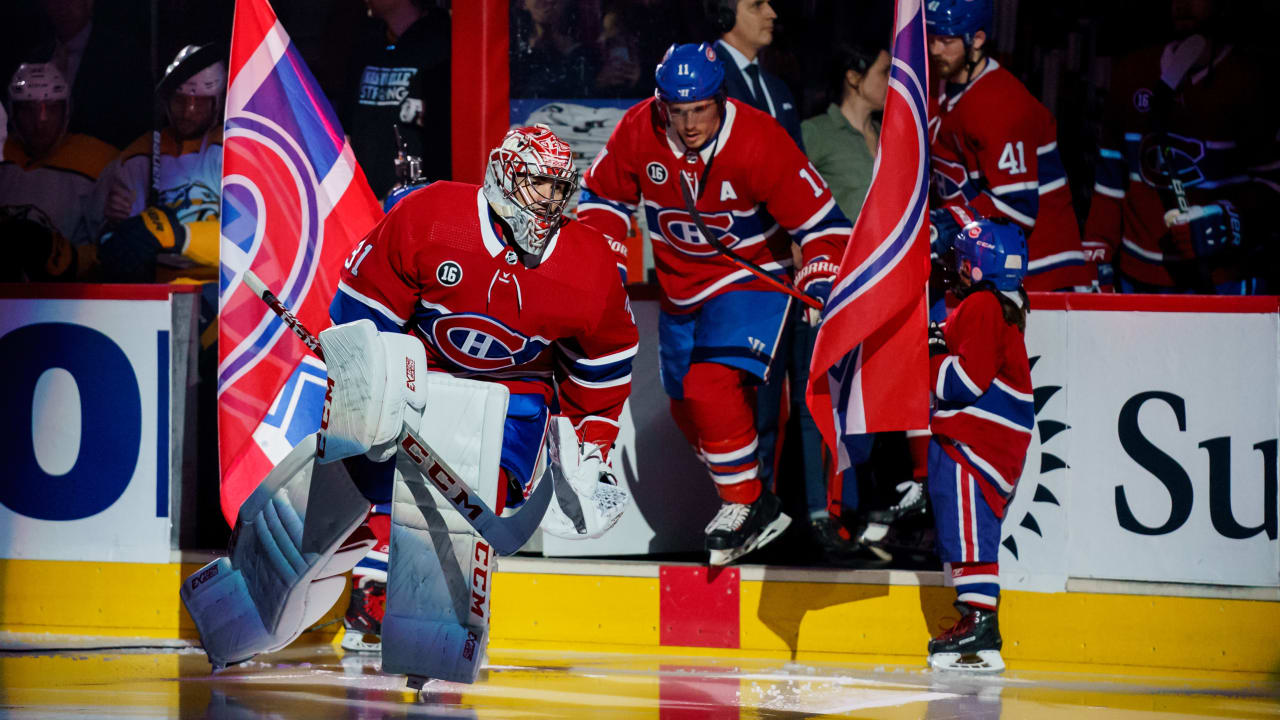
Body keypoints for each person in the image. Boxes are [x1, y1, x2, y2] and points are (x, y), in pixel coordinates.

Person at [182, 125, 637, 683]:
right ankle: (240, 608)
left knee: (448, 526)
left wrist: (592, 450)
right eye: (538, 185)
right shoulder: (433, 217)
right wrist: (370, 383)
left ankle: (433, 648)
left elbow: (604, 363)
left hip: (510, 399)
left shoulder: (587, 261)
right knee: (319, 512)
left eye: (559, 188)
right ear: (504, 176)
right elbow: (359, 312)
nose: (551, 201)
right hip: (413, 377)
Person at [577, 43, 851, 566]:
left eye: (699, 109)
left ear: (719, 99)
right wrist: (604, 264)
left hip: (752, 278)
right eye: (676, 112)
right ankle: (760, 503)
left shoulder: (760, 140)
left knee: (709, 386)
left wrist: (819, 272)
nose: (688, 124)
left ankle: (744, 501)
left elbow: (825, 226)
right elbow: (602, 198)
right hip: (680, 288)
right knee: (687, 406)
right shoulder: (640, 128)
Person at [1082, 0, 1275, 294]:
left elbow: (1272, 186)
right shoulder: (1131, 73)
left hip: (1221, 281)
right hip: (1137, 280)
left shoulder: (1248, 81)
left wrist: (1226, 219)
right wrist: (1097, 254)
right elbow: (1110, 182)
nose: (1183, 4)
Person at [797, 41, 893, 563]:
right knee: (820, 406)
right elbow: (787, 203)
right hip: (830, 291)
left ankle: (856, 515)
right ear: (854, 78)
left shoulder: (888, 136)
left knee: (870, 403)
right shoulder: (814, 132)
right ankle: (821, 515)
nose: (890, 80)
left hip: (882, 290)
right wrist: (805, 270)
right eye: (882, 71)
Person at [925, 217, 1034, 673]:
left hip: (975, 444)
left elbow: (965, 379)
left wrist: (931, 352)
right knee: (967, 528)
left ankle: (981, 621)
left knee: (969, 529)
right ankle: (978, 620)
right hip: (976, 442)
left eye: (962, 260)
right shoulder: (998, 305)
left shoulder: (984, 306)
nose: (955, 267)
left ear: (978, 267)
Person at [926, 0, 1093, 292]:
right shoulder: (936, 91)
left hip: (1041, 273)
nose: (935, 49)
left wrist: (946, 224)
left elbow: (1017, 207)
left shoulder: (1002, 103)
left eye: (946, 40)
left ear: (976, 39)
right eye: (931, 38)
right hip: (982, 271)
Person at [96, 44, 225, 283]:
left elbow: (248, 239)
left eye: (200, 103)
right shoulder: (137, 155)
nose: (188, 112)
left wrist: (178, 236)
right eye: (180, 101)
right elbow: (114, 242)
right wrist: (115, 226)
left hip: (218, 286)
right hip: (156, 287)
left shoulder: (234, 149)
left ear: (217, 103)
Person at [0, 62, 116, 281]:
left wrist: (72, 259)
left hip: (71, 297)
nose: (40, 122)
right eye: (28, 110)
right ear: (12, 112)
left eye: (51, 108)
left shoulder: (98, 160)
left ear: (67, 110)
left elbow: (114, 246)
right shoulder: (3, 153)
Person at [343, 0, 450, 199]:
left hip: (419, 201)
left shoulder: (444, 43)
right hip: (367, 201)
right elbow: (347, 127)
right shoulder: (366, 45)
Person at [708, 0, 802, 148]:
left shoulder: (779, 87)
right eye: (757, 5)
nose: (772, 14)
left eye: (769, 4)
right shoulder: (705, 81)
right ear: (726, 17)